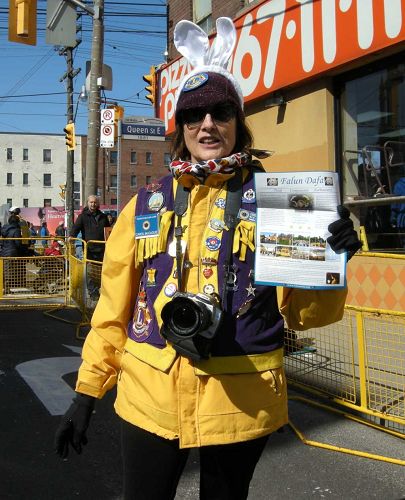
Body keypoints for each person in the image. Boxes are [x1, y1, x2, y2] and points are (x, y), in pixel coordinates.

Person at [54, 18, 362, 500]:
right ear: (180, 128)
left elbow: (305, 314)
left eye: (221, 112)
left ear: (239, 122)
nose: (208, 124)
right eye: (194, 114)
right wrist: (86, 394)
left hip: (241, 401)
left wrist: (333, 262)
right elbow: (112, 311)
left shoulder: (283, 204)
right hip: (148, 398)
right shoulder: (145, 203)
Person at [70, 195, 110, 300]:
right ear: (88, 203)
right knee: (89, 272)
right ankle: (93, 292)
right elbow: (75, 228)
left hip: (102, 249)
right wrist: (71, 237)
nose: (93, 204)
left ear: (98, 204)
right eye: (91, 202)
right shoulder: (83, 216)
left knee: (100, 271)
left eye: (95, 202)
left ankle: (100, 290)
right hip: (89, 250)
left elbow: (108, 231)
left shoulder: (103, 217)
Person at [1, 214, 27, 292]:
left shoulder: (5, 229)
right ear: (17, 222)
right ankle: (6, 289)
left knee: (4, 270)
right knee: (9, 271)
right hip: (12, 252)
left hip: (4, 251)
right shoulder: (16, 230)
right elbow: (18, 243)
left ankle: (4, 287)